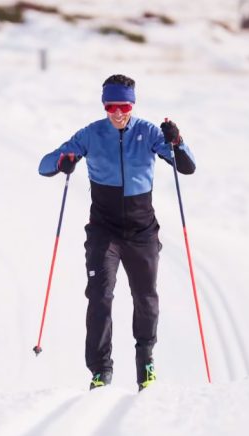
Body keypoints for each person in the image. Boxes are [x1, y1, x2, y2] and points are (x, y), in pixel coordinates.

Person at [38, 74, 195, 392]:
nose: (118, 113)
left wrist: (177, 140)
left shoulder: (148, 132)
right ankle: (100, 370)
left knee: (145, 298)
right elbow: (45, 165)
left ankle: (145, 361)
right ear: (104, 106)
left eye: (124, 106)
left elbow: (187, 166)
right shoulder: (91, 134)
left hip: (142, 231)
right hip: (104, 231)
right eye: (111, 107)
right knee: (99, 296)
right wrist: (63, 161)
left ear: (132, 105)